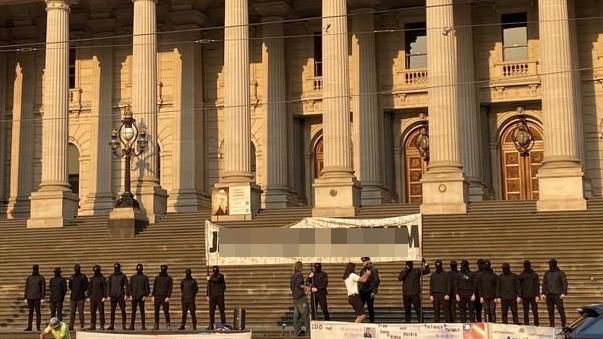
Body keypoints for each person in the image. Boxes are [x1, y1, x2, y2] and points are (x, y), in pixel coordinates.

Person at [398, 258, 430, 323]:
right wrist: (406, 270)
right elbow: (400, 278)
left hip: (415, 295)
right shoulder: (403, 272)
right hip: (406, 295)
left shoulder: (416, 271)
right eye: (407, 265)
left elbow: (427, 271)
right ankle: (407, 323)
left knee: (418, 310)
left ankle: (421, 323)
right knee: (407, 311)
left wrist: (425, 263)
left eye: (409, 265)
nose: (408, 266)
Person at [542, 258, 568, 328]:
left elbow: (564, 283)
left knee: (561, 311)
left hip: (558, 295)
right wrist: (543, 293)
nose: (550, 265)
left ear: (555, 264)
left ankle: (564, 325)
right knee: (550, 311)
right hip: (549, 295)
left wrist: (564, 293)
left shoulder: (560, 272)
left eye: (551, 264)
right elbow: (544, 283)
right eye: (549, 264)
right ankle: (552, 326)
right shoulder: (547, 273)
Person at [290, 261, 310, 336]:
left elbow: (291, 287)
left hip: (295, 298)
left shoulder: (292, 276)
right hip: (301, 298)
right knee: (305, 315)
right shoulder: (299, 275)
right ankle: (308, 332)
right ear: (300, 267)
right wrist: (306, 288)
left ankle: (297, 331)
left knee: (296, 315)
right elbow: (300, 284)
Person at [107, 262, 129, 330]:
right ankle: (112, 325)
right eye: (115, 268)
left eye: (117, 268)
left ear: (119, 268)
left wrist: (126, 294)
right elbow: (108, 286)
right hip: (113, 295)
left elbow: (127, 285)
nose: (116, 269)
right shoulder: (111, 276)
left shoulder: (123, 275)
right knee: (112, 311)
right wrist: (108, 295)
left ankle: (124, 325)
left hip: (120, 295)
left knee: (123, 310)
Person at [24, 264, 46, 331]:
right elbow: (26, 287)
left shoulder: (40, 278)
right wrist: (25, 297)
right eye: (34, 269)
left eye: (35, 269)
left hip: (37, 297)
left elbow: (43, 288)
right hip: (31, 297)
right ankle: (30, 326)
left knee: (37, 312)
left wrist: (42, 297)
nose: (35, 270)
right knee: (32, 312)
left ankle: (37, 327)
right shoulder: (30, 278)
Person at [129, 263, 150, 330]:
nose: (139, 270)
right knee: (133, 312)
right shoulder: (133, 278)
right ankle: (132, 325)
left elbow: (147, 287)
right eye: (138, 269)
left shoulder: (145, 277)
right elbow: (130, 287)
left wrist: (145, 295)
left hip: (141, 297)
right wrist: (130, 295)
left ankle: (143, 326)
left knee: (142, 312)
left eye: (140, 269)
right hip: (134, 296)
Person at [359, 257, 380, 323]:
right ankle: (360, 321)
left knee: (370, 308)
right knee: (360, 308)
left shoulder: (373, 269)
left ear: (368, 261)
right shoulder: (362, 270)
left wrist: (374, 291)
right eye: (363, 262)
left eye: (365, 261)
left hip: (369, 291)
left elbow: (377, 281)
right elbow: (360, 280)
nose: (363, 263)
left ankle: (372, 322)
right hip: (362, 291)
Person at [519, 260, 540, 326]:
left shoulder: (534, 274)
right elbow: (519, 286)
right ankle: (526, 324)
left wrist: (537, 295)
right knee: (526, 312)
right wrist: (520, 296)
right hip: (525, 296)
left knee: (534, 311)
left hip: (533, 296)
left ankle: (536, 325)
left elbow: (537, 285)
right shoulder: (521, 275)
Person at [153, 264, 173, 330]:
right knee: (156, 311)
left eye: (164, 269)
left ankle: (168, 324)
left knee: (166, 311)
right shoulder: (157, 278)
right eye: (162, 269)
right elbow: (154, 287)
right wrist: (153, 295)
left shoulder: (169, 278)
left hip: (165, 297)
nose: (163, 270)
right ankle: (156, 324)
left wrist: (168, 296)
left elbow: (170, 288)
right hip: (157, 296)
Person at [87, 265, 107, 330]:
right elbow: (89, 288)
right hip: (93, 297)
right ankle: (93, 325)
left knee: (101, 312)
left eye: (97, 269)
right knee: (92, 312)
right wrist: (88, 296)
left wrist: (104, 296)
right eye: (94, 270)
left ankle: (102, 325)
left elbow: (105, 288)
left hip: (100, 297)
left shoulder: (102, 278)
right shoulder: (92, 278)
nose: (95, 271)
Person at [68, 264, 88, 331]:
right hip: (73, 297)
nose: (77, 269)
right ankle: (71, 326)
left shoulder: (83, 276)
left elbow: (86, 285)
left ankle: (82, 325)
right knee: (72, 312)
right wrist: (74, 290)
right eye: (76, 268)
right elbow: (70, 286)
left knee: (81, 312)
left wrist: (81, 291)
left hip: (80, 297)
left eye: (78, 268)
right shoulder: (72, 277)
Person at [206, 265, 226, 330]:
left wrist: (209, 279)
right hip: (212, 297)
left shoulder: (221, 276)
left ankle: (224, 325)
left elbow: (217, 280)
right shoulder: (211, 277)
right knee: (211, 312)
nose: (215, 270)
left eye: (216, 269)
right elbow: (208, 286)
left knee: (222, 311)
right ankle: (211, 325)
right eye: (214, 269)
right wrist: (207, 295)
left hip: (219, 296)